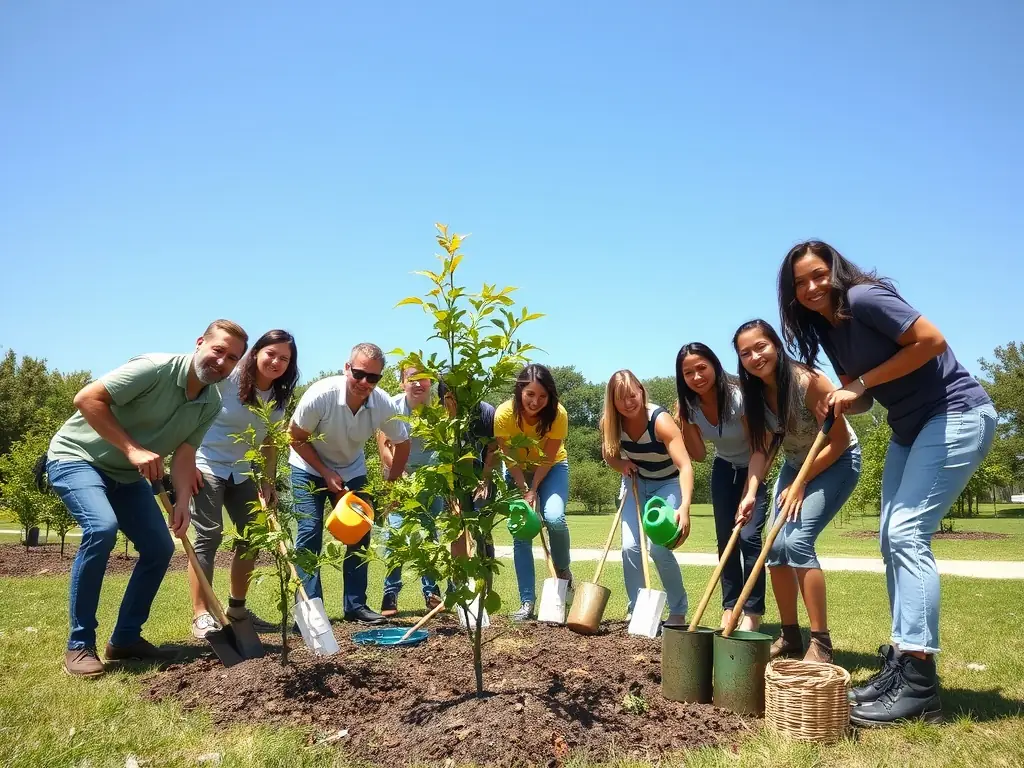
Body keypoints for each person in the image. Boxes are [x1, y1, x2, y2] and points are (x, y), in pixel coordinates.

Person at [778, 240, 996, 726]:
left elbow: (932, 341)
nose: (811, 287)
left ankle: (918, 682)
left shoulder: (863, 299)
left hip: (955, 413)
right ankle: (902, 661)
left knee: (906, 533)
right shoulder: (826, 327)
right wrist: (840, 399)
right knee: (888, 537)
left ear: (835, 272)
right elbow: (867, 397)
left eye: (818, 275)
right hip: (909, 428)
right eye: (800, 282)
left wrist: (858, 384)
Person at [45, 320, 249, 677]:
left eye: (232, 358)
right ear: (200, 342)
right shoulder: (154, 369)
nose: (222, 361)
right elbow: (87, 398)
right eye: (218, 350)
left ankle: (124, 640)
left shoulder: (210, 403)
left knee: (159, 547)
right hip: (77, 457)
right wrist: (133, 449)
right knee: (102, 528)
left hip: (127, 475)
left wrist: (183, 499)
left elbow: (185, 456)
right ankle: (80, 645)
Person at [733, 319, 861, 664]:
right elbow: (760, 449)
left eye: (760, 346)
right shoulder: (754, 395)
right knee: (774, 546)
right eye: (746, 353)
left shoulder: (809, 381)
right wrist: (750, 492)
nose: (755, 356)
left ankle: (821, 643)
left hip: (836, 460)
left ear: (775, 344)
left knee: (797, 541)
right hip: (794, 464)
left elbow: (839, 441)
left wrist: (801, 483)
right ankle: (790, 635)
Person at [288, 343, 410, 625]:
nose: (365, 382)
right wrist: (324, 471)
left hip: (352, 468)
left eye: (373, 377)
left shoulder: (381, 404)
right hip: (308, 466)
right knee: (309, 532)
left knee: (360, 533)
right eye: (359, 374)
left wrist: (393, 483)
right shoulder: (322, 395)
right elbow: (294, 436)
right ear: (347, 368)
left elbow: (403, 444)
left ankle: (356, 606)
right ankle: (310, 611)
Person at [187, 330, 299, 639]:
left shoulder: (278, 396)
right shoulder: (228, 379)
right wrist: (186, 461)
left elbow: (270, 442)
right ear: (257, 352)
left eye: (284, 359)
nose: (276, 362)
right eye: (271, 354)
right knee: (209, 536)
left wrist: (267, 480)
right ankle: (201, 614)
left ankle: (237, 609)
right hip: (206, 463)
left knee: (254, 536)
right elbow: (192, 412)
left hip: (241, 470)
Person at [675, 342, 769, 632]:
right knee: (724, 542)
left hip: (754, 467)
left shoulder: (739, 397)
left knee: (750, 538)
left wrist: (750, 491)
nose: (697, 376)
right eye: (688, 372)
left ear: (714, 365)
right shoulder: (689, 405)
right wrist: (683, 422)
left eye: (701, 368)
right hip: (723, 469)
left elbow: (759, 446)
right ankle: (730, 607)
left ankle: (752, 611)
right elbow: (700, 454)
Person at [600, 369, 691, 626]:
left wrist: (684, 506)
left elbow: (685, 466)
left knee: (659, 548)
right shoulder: (610, 423)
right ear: (613, 401)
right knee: (630, 547)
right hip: (636, 483)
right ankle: (638, 610)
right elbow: (609, 456)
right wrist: (622, 465)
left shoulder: (660, 421)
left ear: (641, 391)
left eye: (632, 395)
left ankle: (678, 610)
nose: (628, 403)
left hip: (668, 484)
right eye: (620, 398)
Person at [494, 363, 573, 621]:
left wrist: (535, 489)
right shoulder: (504, 414)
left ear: (550, 396)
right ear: (519, 391)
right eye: (530, 394)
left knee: (554, 518)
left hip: (551, 468)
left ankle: (562, 571)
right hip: (516, 471)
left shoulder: (558, 415)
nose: (536, 401)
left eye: (542, 396)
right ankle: (526, 601)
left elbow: (548, 458)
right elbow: (509, 458)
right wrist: (524, 489)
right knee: (522, 531)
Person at [378, 365, 443, 616]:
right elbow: (384, 447)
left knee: (431, 536)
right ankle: (390, 593)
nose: (418, 384)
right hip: (399, 480)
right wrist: (399, 476)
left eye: (423, 379)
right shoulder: (392, 407)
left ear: (431, 382)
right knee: (396, 535)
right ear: (402, 382)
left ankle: (432, 592)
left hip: (431, 482)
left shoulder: (438, 412)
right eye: (411, 379)